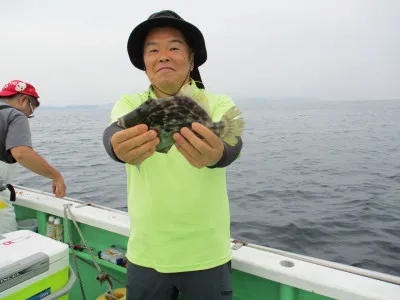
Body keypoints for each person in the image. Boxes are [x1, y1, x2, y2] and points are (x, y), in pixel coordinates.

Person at [103, 10, 243, 300]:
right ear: (145, 63)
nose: (163, 55)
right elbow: (113, 133)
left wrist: (218, 154)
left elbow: (232, 145)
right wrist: (116, 147)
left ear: (191, 60)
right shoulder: (130, 103)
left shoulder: (216, 102)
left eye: (174, 47)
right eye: (153, 50)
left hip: (207, 253)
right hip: (146, 254)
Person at [0, 80, 66, 235]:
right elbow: (22, 153)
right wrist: (55, 175)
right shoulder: (13, 114)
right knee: (8, 244)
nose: (28, 116)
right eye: (30, 111)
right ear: (23, 100)